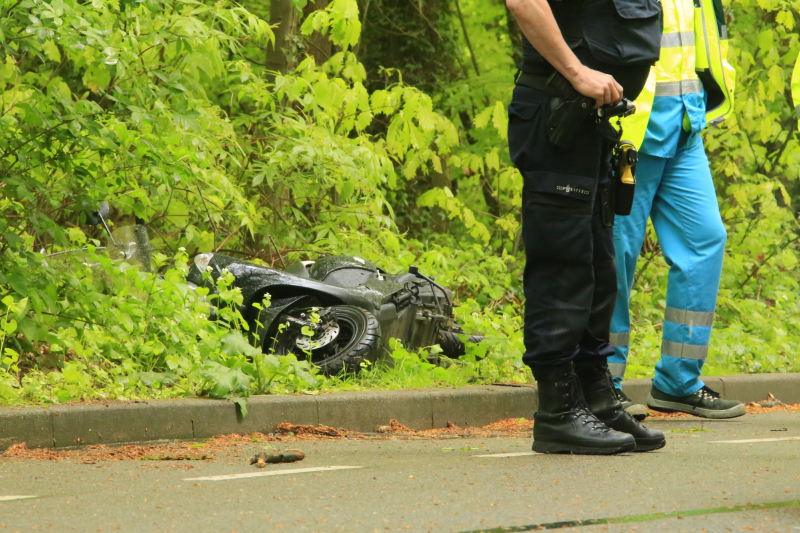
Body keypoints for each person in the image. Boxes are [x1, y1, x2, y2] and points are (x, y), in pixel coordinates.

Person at [505, 0, 666, 454]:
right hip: (558, 105)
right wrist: (577, 71)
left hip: (592, 118)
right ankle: (557, 412)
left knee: (597, 258)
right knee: (563, 263)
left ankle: (595, 397)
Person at [608, 0, 745, 420]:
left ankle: (678, 382)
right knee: (617, 254)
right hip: (630, 132)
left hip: (685, 126)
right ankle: (602, 381)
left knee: (705, 239)